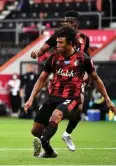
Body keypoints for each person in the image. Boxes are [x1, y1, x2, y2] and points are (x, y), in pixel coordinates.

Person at [24, 26, 116, 158]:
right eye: (57, 42)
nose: (58, 45)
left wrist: (107, 100)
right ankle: (49, 151)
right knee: (36, 130)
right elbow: (41, 79)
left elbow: (96, 79)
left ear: (70, 43)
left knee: (57, 115)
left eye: (61, 43)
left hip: (72, 97)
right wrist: (31, 98)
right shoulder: (53, 58)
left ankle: (44, 142)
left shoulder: (83, 59)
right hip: (53, 96)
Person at [30, 10, 91, 151]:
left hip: (76, 76)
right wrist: (36, 53)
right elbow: (44, 48)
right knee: (53, 107)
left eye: (71, 22)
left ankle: (67, 134)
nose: (68, 24)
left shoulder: (84, 39)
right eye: (66, 21)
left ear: (77, 23)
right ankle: (46, 129)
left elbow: (86, 56)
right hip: (59, 71)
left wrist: (87, 74)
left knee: (79, 108)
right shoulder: (58, 35)